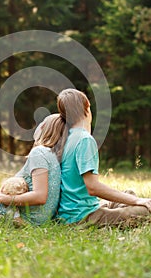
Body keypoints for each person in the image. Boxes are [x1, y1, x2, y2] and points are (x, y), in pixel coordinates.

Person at [56, 88, 151, 227]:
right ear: (87, 106)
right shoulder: (84, 140)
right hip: (82, 217)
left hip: (70, 213)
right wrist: (137, 201)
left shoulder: (67, 138)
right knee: (144, 209)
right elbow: (93, 187)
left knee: (129, 194)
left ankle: (123, 210)